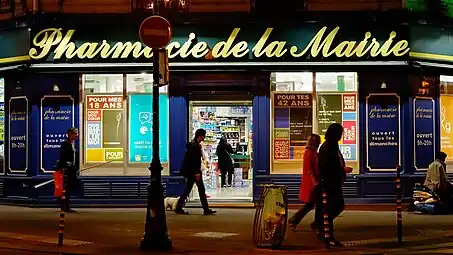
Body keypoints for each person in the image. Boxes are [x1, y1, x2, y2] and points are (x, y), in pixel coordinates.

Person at [314, 123, 346, 247]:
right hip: (329, 184)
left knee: (334, 207)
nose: (341, 135)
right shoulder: (328, 146)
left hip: (333, 183)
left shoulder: (332, 145)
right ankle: (326, 233)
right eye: (340, 133)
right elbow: (326, 166)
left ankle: (322, 227)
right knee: (334, 206)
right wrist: (342, 170)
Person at [175, 128, 216, 215]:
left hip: (194, 171)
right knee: (194, 189)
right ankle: (179, 207)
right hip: (194, 171)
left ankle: (205, 209)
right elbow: (194, 160)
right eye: (203, 136)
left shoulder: (195, 145)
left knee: (195, 189)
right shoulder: (194, 146)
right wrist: (196, 172)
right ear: (200, 136)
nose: (204, 138)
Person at [288, 134, 321, 232]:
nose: (319, 143)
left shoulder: (314, 152)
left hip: (314, 181)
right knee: (310, 204)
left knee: (313, 204)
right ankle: (294, 220)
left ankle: (316, 224)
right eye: (317, 141)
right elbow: (309, 169)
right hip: (311, 183)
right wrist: (315, 182)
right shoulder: (309, 152)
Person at [57, 127, 79, 213]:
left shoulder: (74, 144)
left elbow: (75, 157)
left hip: (72, 170)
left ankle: (67, 206)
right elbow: (62, 157)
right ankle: (64, 206)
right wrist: (64, 166)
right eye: (75, 134)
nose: (76, 135)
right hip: (66, 170)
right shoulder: (65, 144)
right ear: (70, 134)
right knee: (65, 189)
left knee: (69, 188)